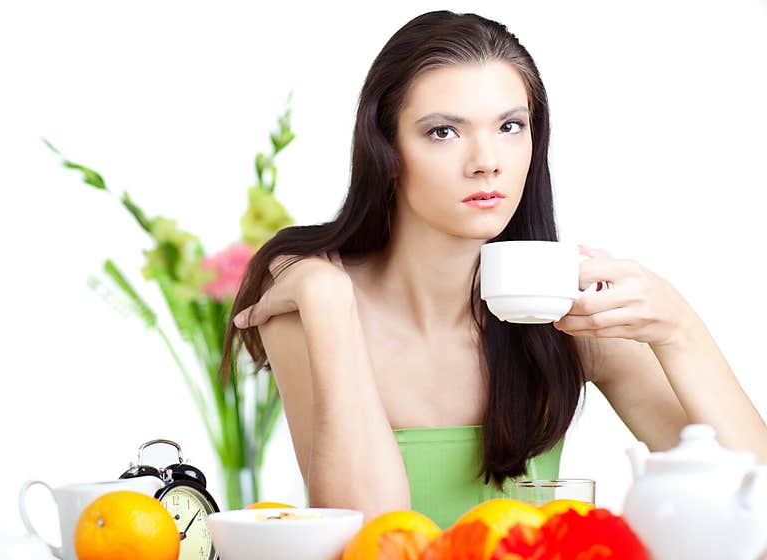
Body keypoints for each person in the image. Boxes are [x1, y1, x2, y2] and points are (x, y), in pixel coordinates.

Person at [217, 10, 767, 529]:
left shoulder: (564, 307)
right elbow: (369, 543)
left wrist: (679, 331)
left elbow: (751, 498)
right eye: (443, 132)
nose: (487, 160)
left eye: (510, 126)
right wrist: (329, 307)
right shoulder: (309, 294)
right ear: (385, 152)